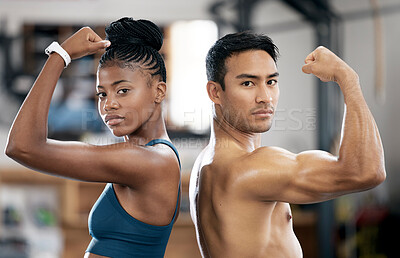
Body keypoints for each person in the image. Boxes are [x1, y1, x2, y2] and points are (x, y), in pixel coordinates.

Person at [189, 31, 386, 257]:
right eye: (248, 83)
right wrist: (348, 79)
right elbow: (368, 171)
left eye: (271, 81)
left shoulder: (205, 163)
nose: (265, 97)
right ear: (215, 92)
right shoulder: (251, 168)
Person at [5, 17, 181, 258]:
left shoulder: (149, 160)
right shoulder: (146, 154)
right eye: (101, 94)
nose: (109, 104)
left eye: (123, 90)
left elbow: (22, 147)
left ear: (159, 91)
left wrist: (60, 54)